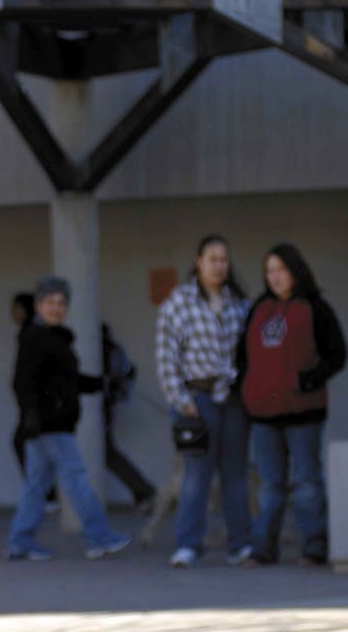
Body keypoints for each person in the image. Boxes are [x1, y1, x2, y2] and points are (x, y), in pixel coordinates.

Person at [5, 276, 131, 561]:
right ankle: (99, 537)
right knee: (77, 478)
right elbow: (22, 382)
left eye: (61, 303)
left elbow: (71, 382)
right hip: (50, 425)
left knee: (35, 486)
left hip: (50, 424)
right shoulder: (35, 337)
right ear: (38, 306)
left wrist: (105, 383)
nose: (56, 308)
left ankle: (20, 542)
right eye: (50, 302)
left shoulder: (55, 337)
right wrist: (32, 416)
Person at [237, 243, 345, 566]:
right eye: (269, 271)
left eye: (280, 270)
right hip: (263, 414)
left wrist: (308, 380)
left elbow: (337, 354)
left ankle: (314, 546)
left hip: (304, 413)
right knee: (269, 485)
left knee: (306, 483)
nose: (274, 277)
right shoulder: (259, 308)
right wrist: (248, 388)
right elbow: (241, 356)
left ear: (295, 271)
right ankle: (263, 549)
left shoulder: (316, 307)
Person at [156, 234, 252, 568]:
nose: (219, 265)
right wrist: (180, 400)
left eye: (224, 259)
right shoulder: (179, 302)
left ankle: (240, 545)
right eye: (212, 258)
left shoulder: (239, 303)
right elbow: (167, 356)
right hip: (197, 399)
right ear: (198, 261)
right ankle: (188, 544)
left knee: (235, 475)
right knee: (197, 475)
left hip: (233, 400)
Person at [10, 291, 59, 512]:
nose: (12, 313)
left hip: (36, 406)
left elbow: (30, 373)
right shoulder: (30, 332)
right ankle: (45, 496)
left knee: (30, 446)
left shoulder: (32, 333)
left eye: (16, 307)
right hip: (32, 405)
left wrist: (30, 403)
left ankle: (47, 496)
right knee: (34, 448)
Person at [102, 323, 157, 512]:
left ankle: (144, 491)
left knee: (105, 453)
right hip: (101, 408)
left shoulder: (107, 350)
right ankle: (144, 491)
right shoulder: (113, 350)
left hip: (99, 410)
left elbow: (125, 374)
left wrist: (114, 392)